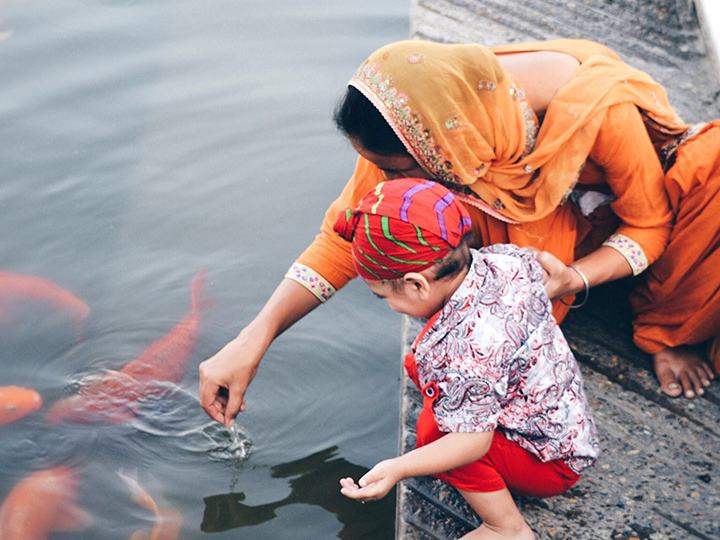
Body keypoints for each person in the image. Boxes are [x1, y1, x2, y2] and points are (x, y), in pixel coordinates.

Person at [199, 39, 719, 429]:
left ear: (444, 149)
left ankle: (669, 328)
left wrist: (571, 279)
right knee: (410, 229)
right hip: (546, 228)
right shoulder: (419, 123)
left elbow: (649, 224)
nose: (390, 183)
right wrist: (253, 340)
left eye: (402, 171)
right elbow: (345, 235)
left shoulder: (593, 108)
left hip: (642, 220)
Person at [333, 178, 598, 540]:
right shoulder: (502, 258)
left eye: (384, 297)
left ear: (417, 284)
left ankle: (506, 528)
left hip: (549, 463)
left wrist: (398, 467)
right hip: (563, 425)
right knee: (424, 377)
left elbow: (472, 442)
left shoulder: (465, 351)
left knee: (433, 436)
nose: (391, 307)